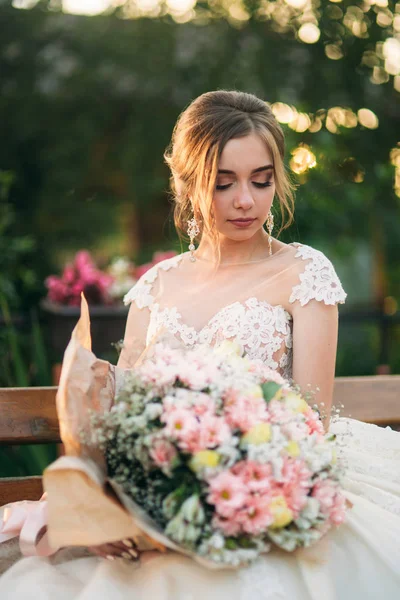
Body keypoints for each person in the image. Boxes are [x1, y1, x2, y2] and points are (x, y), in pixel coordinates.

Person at [0, 90, 399, 599]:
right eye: (223, 182)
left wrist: (226, 489)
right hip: (161, 494)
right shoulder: (157, 285)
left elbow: (311, 419)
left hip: (270, 483)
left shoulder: (304, 273)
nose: (245, 201)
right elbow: (118, 415)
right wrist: (120, 500)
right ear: (189, 185)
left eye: (261, 180)